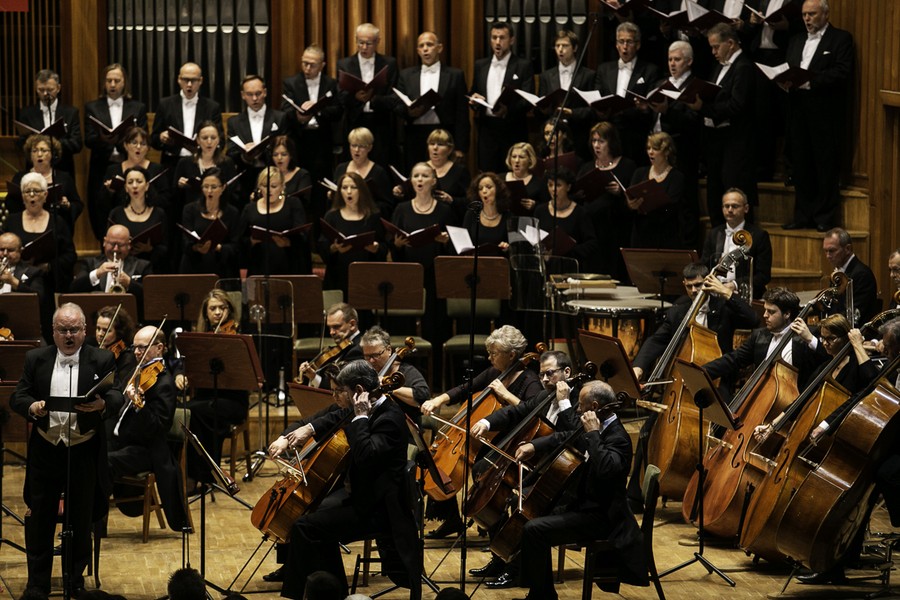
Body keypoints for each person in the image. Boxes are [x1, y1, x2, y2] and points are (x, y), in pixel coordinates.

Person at [272, 360, 422, 600]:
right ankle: (332, 593)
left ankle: (306, 596)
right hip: (360, 497)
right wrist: (308, 429)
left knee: (306, 528)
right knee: (308, 520)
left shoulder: (390, 419)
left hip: (380, 509)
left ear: (359, 391)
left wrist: (361, 418)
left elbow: (366, 456)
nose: (334, 396)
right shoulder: (362, 409)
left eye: (339, 391)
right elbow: (335, 417)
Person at [10, 303, 121, 599]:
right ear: (53, 332)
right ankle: (37, 585)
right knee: (39, 519)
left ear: (84, 331)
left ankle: (74, 580)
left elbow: (117, 394)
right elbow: (18, 395)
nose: (69, 335)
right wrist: (31, 406)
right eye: (63, 330)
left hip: (82, 449)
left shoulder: (102, 358)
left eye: (74, 329)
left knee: (80, 518)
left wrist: (103, 405)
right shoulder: (36, 358)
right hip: (47, 449)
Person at [627, 263, 759, 509]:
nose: (694, 291)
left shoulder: (723, 307)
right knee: (647, 432)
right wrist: (639, 367)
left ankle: (706, 499)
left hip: (717, 383)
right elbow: (657, 340)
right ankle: (635, 497)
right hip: (681, 387)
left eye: (699, 285)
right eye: (689, 287)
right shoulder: (680, 311)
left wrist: (726, 292)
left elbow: (753, 319)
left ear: (707, 281)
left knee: (718, 432)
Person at [514, 380, 647, 600]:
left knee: (534, 529)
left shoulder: (618, 438)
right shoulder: (594, 427)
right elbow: (565, 436)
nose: (577, 410)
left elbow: (606, 470)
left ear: (594, 407)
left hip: (602, 518)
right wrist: (534, 445)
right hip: (583, 506)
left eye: (580, 406)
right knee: (530, 512)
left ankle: (541, 596)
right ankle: (540, 591)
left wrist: (594, 434)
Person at [421, 325, 543, 539]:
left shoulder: (529, 380)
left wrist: (505, 394)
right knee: (440, 464)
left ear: (511, 354)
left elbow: (533, 410)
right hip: (485, 435)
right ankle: (451, 519)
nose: (489, 358)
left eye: (494, 353)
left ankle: (496, 528)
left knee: (480, 468)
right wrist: (438, 399)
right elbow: (466, 388)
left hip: (510, 440)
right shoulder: (495, 372)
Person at [108, 325, 188, 532]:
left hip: (146, 451)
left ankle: (94, 522)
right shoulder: (137, 371)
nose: (136, 352)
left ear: (159, 348)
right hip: (124, 443)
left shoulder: (164, 383)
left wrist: (139, 405)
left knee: (102, 461)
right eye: (135, 347)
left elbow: (159, 427)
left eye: (142, 348)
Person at [782, 0, 854, 232]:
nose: (807, 19)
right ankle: (803, 215)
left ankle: (825, 216)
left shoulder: (840, 39)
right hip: (798, 111)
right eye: (804, 14)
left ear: (825, 14)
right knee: (801, 164)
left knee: (824, 165)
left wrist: (811, 81)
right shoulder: (795, 40)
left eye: (812, 14)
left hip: (824, 113)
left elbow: (842, 72)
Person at [175, 290, 249, 488]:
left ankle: (197, 476)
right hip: (206, 401)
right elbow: (183, 363)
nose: (218, 312)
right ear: (206, 313)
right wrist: (180, 375)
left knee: (195, 412)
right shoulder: (199, 339)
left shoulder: (239, 340)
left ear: (230, 311)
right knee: (185, 412)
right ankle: (201, 473)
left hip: (232, 403)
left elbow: (249, 375)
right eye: (213, 308)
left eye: (222, 308)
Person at [703, 287, 829, 394]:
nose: (765, 315)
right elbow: (733, 359)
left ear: (787, 314)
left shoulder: (808, 335)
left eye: (771, 312)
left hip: (796, 404)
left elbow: (827, 361)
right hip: (763, 398)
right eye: (765, 310)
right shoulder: (759, 336)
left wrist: (810, 339)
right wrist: (703, 372)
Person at [695, 23, 758, 227]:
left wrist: (703, 107)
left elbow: (737, 105)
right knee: (715, 193)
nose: (713, 52)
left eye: (716, 47)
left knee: (733, 193)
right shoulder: (721, 65)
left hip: (735, 142)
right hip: (717, 140)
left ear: (730, 43)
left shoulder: (744, 67)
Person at [647, 41, 703, 250]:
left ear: (689, 62)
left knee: (685, 202)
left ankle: (688, 248)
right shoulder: (662, 83)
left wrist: (666, 110)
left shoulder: (694, 86)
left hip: (681, 150)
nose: (672, 63)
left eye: (677, 59)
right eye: (670, 59)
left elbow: (693, 121)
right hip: (656, 146)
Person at [84, 63, 148, 240]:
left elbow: (143, 137)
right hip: (101, 166)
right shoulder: (93, 107)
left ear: (124, 83)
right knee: (100, 208)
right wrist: (106, 141)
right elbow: (88, 139)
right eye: (109, 80)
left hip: (130, 166)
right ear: (104, 83)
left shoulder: (137, 107)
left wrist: (120, 142)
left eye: (117, 80)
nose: (112, 84)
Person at [281, 45, 343, 219]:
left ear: (322, 65)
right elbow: (285, 110)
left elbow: (338, 110)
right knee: (299, 190)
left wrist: (317, 111)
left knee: (320, 191)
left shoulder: (331, 83)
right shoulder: (291, 83)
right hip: (299, 143)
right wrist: (298, 117)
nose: (307, 68)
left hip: (322, 143)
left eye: (312, 65)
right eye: (304, 63)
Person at [394, 31, 470, 169]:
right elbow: (398, 105)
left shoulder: (455, 75)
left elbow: (462, 113)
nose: (425, 49)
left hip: (444, 134)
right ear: (417, 51)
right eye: (421, 46)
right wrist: (409, 112)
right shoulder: (406, 75)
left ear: (439, 48)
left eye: (429, 45)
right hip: (415, 135)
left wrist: (460, 147)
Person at [469, 21, 535, 173]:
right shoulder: (481, 65)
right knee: (488, 175)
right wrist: (475, 100)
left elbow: (528, 99)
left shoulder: (523, 65)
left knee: (512, 175)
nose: (497, 42)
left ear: (511, 40)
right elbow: (474, 91)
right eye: (494, 37)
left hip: (512, 129)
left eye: (502, 38)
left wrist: (508, 110)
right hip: (487, 131)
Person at [593, 22, 661, 165]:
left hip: (635, 134)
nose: (625, 46)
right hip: (609, 135)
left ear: (638, 45)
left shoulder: (650, 70)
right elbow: (597, 96)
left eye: (629, 42)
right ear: (616, 44)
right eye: (621, 41)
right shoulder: (604, 69)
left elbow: (651, 107)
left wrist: (643, 108)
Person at [577, 121, 636, 280]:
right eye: (594, 141)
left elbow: (633, 200)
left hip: (616, 229)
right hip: (593, 229)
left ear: (611, 142)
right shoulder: (587, 167)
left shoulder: (626, 166)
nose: (596, 145)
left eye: (601, 141)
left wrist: (619, 192)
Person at [4, 172, 76, 298]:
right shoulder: (11, 221)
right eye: (27, 191)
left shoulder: (57, 222)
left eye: (36, 191)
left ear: (45, 195)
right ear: (22, 196)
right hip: (16, 281)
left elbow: (70, 255)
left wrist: (49, 266)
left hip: (50, 282)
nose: (32, 195)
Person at [336, 23, 399, 168]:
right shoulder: (344, 64)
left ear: (378, 42)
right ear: (355, 40)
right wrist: (356, 98)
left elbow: (394, 98)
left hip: (381, 125)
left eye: (369, 43)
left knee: (380, 167)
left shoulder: (389, 63)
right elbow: (341, 96)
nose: (364, 47)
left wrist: (373, 99)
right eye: (360, 42)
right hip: (354, 122)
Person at [317, 172, 386, 298]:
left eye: (353, 187)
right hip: (337, 276)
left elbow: (383, 246)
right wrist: (334, 248)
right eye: (344, 188)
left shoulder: (373, 216)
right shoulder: (332, 216)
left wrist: (376, 248)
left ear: (361, 190)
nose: (349, 191)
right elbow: (323, 246)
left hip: (365, 278)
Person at [150, 62, 223, 176]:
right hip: (171, 164)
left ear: (201, 81)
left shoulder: (212, 107)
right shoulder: (165, 104)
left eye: (194, 80)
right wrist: (161, 137)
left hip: (202, 164)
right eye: (185, 80)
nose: (189, 84)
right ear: (179, 79)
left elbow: (221, 140)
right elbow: (153, 139)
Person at [701, 188, 773, 300]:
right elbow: (704, 266)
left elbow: (763, 276)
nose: (729, 210)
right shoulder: (714, 234)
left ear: (746, 208)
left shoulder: (759, 236)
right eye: (726, 206)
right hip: (715, 293)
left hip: (744, 295)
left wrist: (735, 284)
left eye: (735, 206)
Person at [226, 74, 288, 203]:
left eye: (258, 93)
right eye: (249, 94)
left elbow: (287, 149)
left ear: (265, 92)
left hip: (272, 176)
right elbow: (231, 152)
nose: (254, 98)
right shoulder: (234, 122)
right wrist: (245, 156)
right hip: (245, 180)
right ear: (243, 95)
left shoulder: (280, 118)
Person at [238, 167, 310, 276]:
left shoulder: (293, 204)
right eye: (265, 186)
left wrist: (288, 242)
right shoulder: (250, 208)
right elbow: (240, 239)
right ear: (259, 187)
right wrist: (251, 242)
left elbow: (302, 235)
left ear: (282, 186)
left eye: (273, 186)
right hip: (259, 266)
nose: (269, 190)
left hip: (289, 265)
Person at [538, 30, 596, 161]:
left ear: (575, 48)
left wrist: (572, 113)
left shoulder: (588, 75)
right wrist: (543, 109)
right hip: (553, 136)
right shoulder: (546, 76)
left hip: (578, 134)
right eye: (557, 46)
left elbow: (593, 110)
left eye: (565, 45)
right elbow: (540, 104)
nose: (560, 49)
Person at [15, 69, 83, 180]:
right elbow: (21, 143)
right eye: (41, 90)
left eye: (50, 90)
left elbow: (77, 144)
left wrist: (52, 143)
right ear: (36, 89)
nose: (46, 94)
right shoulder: (26, 113)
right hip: (34, 170)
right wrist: (35, 144)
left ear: (58, 88)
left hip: (64, 169)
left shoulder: (70, 112)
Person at [7, 134, 83, 231]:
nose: (39, 154)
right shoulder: (20, 177)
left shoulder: (64, 178)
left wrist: (67, 205)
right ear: (30, 155)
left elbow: (77, 204)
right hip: (27, 225)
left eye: (43, 150)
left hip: (55, 227)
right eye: (34, 151)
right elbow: (10, 203)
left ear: (53, 154)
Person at [359, 326, 430, 427]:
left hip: (402, 429)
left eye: (376, 355)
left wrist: (389, 387)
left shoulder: (407, 371)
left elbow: (423, 396)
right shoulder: (366, 372)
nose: (371, 361)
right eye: (367, 356)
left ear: (388, 350)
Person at [179, 168, 242, 278]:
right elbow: (184, 241)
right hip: (193, 267)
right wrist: (196, 247)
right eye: (205, 186)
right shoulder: (190, 209)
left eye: (214, 187)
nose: (209, 191)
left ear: (223, 187)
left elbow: (236, 246)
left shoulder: (232, 213)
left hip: (221, 269)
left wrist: (218, 247)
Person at [533, 168, 598, 271]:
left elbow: (591, 244)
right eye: (550, 185)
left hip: (571, 269)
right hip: (546, 268)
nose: (553, 189)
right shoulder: (540, 211)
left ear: (568, 187)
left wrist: (570, 249)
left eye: (558, 185)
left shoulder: (580, 212)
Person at [627, 132, 684, 249]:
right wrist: (631, 205)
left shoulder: (676, 177)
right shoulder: (639, 173)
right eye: (648, 148)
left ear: (666, 152)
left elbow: (672, 207)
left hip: (665, 235)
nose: (650, 152)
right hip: (641, 234)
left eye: (655, 148)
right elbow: (630, 198)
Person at [107, 166, 170, 273]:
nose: (134, 186)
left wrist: (149, 249)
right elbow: (108, 245)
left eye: (139, 181)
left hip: (152, 268)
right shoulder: (116, 213)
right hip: (123, 268)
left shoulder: (159, 213)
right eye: (130, 182)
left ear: (147, 186)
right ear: (126, 188)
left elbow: (166, 247)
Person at [102, 126, 172, 215]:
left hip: (150, 217)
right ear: (125, 145)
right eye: (134, 143)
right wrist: (109, 192)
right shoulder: (113, 170)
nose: (138, 147)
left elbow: (165, 200)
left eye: (143, 144)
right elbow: (102, 204)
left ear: (148, 148)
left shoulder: (157, 169)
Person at [172, 120, 238, 213]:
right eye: (205, 138)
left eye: (213, 137)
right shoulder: (185, 163)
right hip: (193, 213)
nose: (209, 141)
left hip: (220, 212)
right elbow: (174, 197)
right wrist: (180, 186)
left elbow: (234, 194)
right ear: (198, 140)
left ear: (219, 140)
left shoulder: (227, 163)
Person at [70, 224, 152, 298]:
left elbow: (151, 295)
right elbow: (74, 289)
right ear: (104, 242)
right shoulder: (88, 263)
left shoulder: (143, 266)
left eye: (120, 245)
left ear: (129, 245)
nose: (115, 249)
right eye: (112, 244)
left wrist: (129, 283)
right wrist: (97, 273)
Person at [296, 302, 364, 388]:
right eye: (330, 327)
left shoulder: (358, 349)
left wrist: (313, 377)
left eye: (336, 327)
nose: (331, 332)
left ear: (352, 324)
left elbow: (341, 386)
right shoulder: (342, 346)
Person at [822, 227, 879, 326]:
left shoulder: (862, 275)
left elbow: (854, 315)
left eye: (832, 251)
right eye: (825, 251)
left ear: (847, 249)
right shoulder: (838, 272)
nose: (828, 256)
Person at [332, 127, 393, 217]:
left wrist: (366, 206)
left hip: (368, 218)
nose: (356, 150)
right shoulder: (340, 168)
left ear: (369, 148)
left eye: (361, 146)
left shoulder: (379, 172)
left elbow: (387, 205)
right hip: (344, 217)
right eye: (353, 145)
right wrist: (331, 196)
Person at [425, 129, 471, 221]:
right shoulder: (421, 169)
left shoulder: (460, 171)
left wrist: (451, 200)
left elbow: (470, 201)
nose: (435, 148)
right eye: (432, 143)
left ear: (449, 150)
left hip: (450, 220)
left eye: (440, 144)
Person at [460, 172, 511, 255]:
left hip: (499, 264)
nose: (484, 191)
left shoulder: (508, 217)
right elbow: (464, 245)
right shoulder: (471, 214)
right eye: (480, 188)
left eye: (488, 187)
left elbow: (514, 247)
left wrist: (506, 247)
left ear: (498, 190)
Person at [0, 232, 45, 303]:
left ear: (20, 251)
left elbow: (38, 297)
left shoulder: (33, 272)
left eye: (10, 250)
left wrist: (12, 281)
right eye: (1, 249)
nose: (5, 253)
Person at [503, 142, 544, 215]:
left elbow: (546, 207)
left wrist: (535, 205)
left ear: (530, 160)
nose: (517, 161)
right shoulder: (499, 179)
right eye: (514, 156)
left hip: (526, 222)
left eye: (521, 157)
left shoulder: (538, 183)